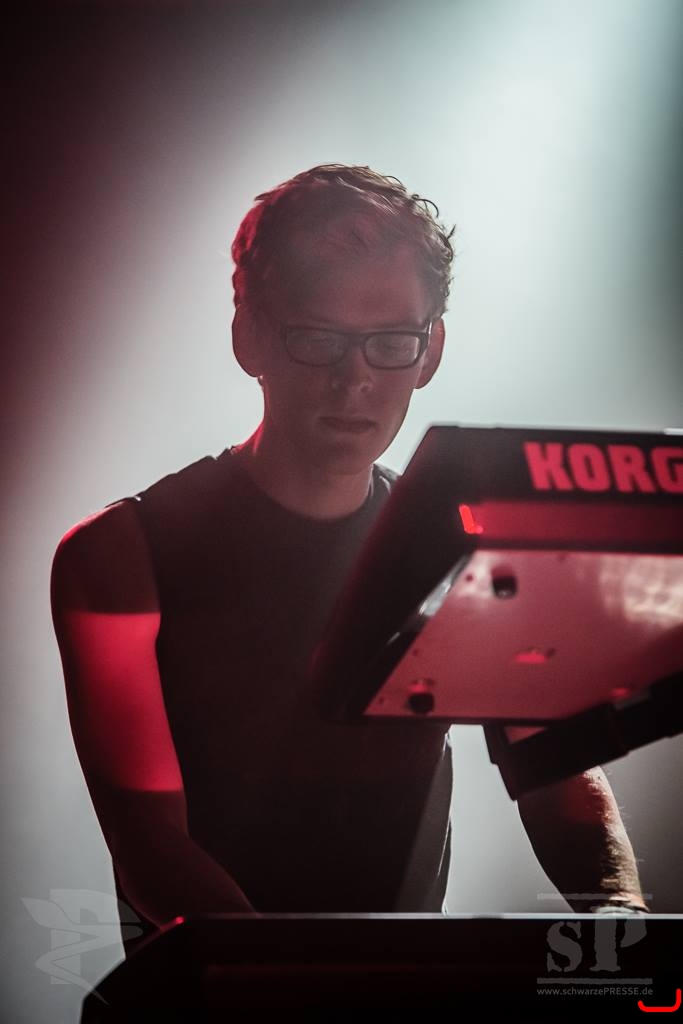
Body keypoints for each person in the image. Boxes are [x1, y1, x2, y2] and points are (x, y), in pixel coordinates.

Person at [50, 164, 648, 959]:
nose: (354, 377)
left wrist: (624, 925)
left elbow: (560, 778)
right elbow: (149, 842)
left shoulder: (468, 555)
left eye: (390, 343)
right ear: (249, 335)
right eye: (319, 339)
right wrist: (304, 989)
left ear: (430, 350)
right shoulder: (117, 558)